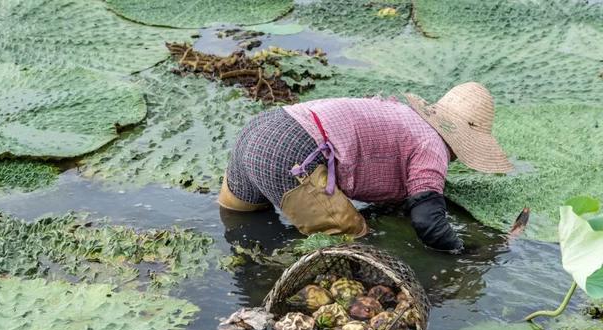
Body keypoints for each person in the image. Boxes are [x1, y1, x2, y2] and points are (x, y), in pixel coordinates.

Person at [218, 82, 513, 253]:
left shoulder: (403, 116)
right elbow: (428, 223)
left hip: (260, 128)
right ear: (463, 143)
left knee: (237, 223)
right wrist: (462, 252)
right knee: (352, 245)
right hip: (291, 154)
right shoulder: (432, 146)